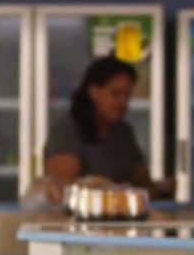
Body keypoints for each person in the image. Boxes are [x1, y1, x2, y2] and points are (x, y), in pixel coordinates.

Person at [43, 55, 173, 197]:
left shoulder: (123, 133)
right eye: (115, 94)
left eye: (127, 95)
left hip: (123, 215)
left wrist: (161, 188)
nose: (122, 102)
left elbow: (142, 183)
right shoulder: (67, 131)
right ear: (93, 92)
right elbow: (63, 192)